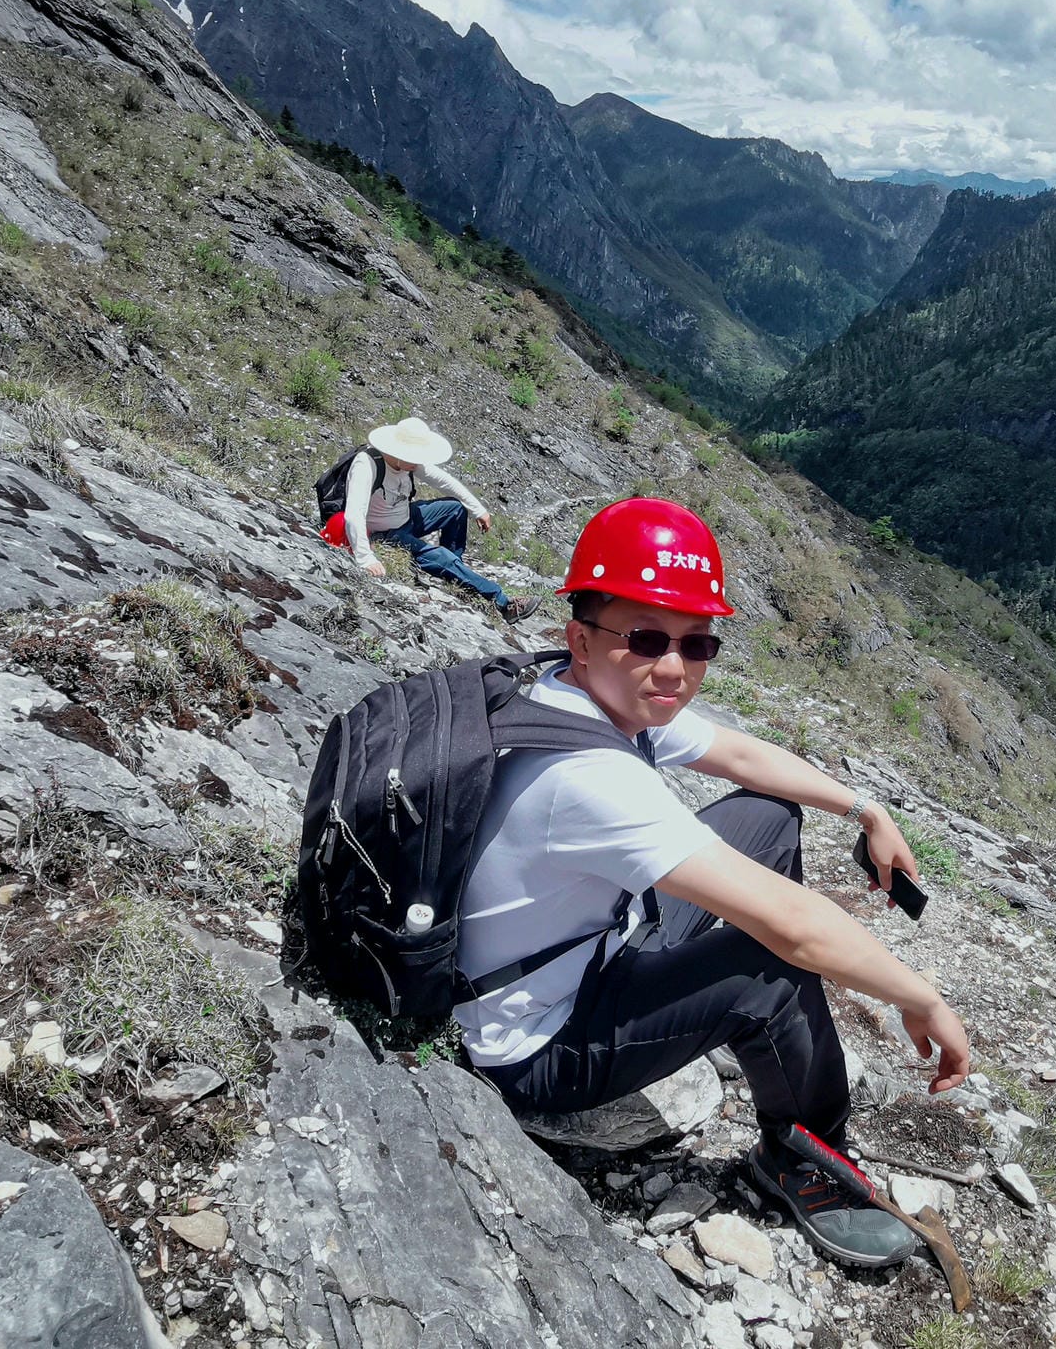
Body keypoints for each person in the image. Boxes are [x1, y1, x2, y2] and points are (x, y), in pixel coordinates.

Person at [456, 497, 971, 1269]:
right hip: (534, 1044)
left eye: (697, 644)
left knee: (768, 817)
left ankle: (765, 1036)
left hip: (581, 948)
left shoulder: (576, 691)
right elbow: (794, 926)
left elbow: (741, 757)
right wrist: (921, 997)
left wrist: (867, 810)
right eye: (646, 639)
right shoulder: (587, 777)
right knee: (771, 966)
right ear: (581, 637)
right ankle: (799, 1158)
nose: (674, 667)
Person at [341, 417, 539, 623]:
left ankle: (457, 573)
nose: (417, 463)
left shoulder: (408, 463)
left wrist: (478, 510)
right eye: (413, 457)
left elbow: (444, 481)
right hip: (383, 534)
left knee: (455, 508)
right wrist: (366, 558)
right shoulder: (367, 464)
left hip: (405, 518)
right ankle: (504, 603)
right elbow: (354, 513)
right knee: (442, 558)